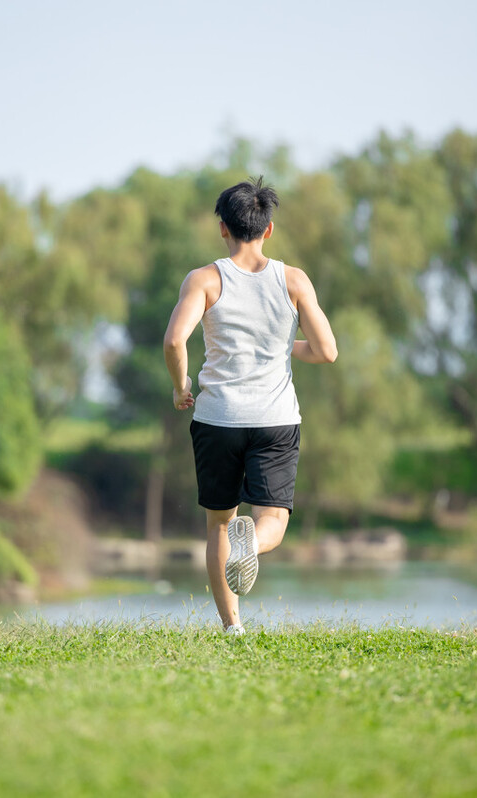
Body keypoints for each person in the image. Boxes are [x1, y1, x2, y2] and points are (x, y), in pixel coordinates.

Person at [163, 177, 338, 635]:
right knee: (273, 517)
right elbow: (327, 351)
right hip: (276, 418)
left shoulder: (204, 279)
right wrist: (280, 347)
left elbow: (175, 340)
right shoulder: (294, 280)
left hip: (217, 417)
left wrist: (180, 382)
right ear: (269, 229)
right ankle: (254, 548)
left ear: (223, 228)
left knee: (219, 526)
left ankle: (232, 628)